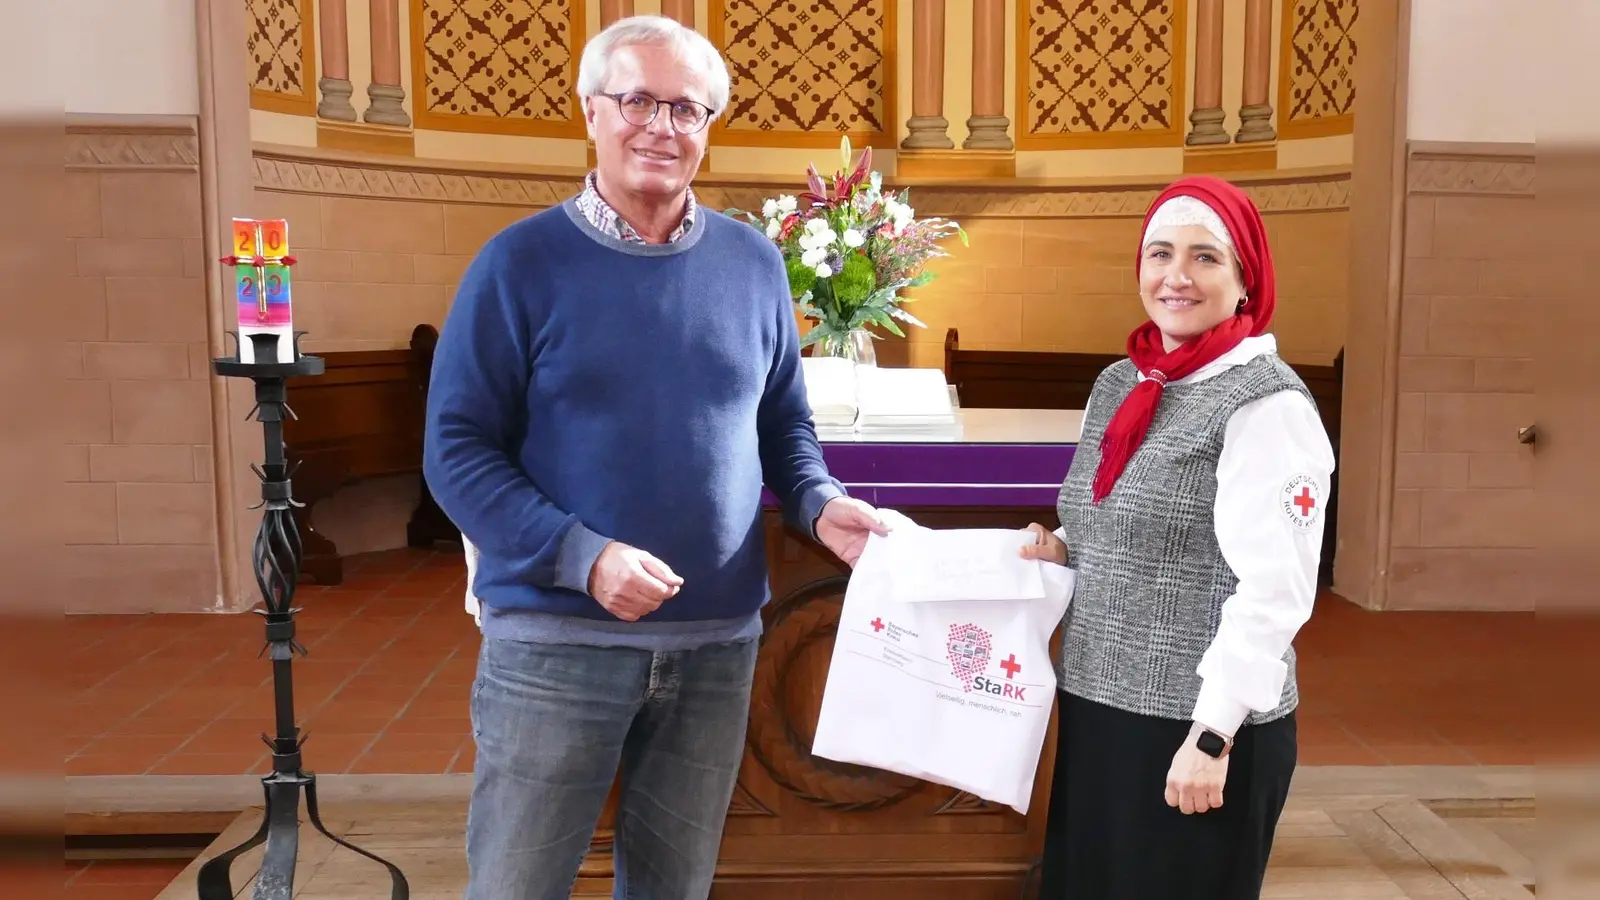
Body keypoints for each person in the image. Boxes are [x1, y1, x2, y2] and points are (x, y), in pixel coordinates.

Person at [421, 15, 887, 900]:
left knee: (675, 888)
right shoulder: (518, 264)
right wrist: (582, 556)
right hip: (557, 643)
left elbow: (783, 423)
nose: (661, 127)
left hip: (716, 646)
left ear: (708, 126)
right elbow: (455, 450)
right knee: (518, 885)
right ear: (591, 111)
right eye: (637, 100)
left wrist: (820, 503)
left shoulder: (753, 264)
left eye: (686, 109)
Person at [1020, 175, 1335, 899]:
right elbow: (1116, 514)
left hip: (1196, 728)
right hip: (1100, 706)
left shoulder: (1267, 405)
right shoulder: (1120, 383)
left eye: (1205, 257)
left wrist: (1213, 734)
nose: (1177, 276)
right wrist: (1065, 545)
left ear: (1246, 280)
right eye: (1160, 254)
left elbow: (1276, 590)